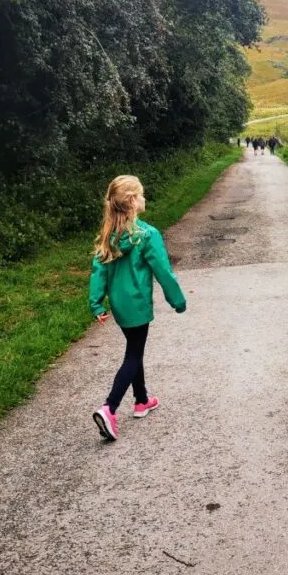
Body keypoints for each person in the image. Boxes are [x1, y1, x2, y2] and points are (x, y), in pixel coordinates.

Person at [89, 175, 187, 441]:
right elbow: (164, 272)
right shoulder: (147, 235)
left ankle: (142, 400)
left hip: (119, 306)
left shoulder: (109, 236)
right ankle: (109, 408)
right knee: (133, 354)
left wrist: (96, 303)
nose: (145, 199)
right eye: (141, 195)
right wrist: (177, 301)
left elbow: (98, 271)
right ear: (132, 201)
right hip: (138, 304)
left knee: (135, 347)